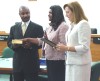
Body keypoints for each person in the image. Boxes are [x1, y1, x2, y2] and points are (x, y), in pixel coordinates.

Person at [22, 5, 69, 81]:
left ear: (56, 14)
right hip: (49, 59)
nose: (48, 14)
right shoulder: (50, 27)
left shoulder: (63, 26)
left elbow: (63, 46)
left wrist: (47, 41)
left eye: (50, 13)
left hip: (58, 61)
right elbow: (42, 41)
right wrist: (29, 39)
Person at [56, 1, 92, 81]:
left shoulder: (83, 24)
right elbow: (71, 43)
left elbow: (84, 47)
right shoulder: (73, 25)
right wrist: (62, 47)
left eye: (68, 12)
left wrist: (66, 48)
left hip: (80, 64)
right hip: (70, 62)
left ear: (75, 11)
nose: (66, 15)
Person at [7, 6, 44, 81]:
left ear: (30, 13)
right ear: (19, 14)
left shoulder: (38, 27)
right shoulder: (13, 28)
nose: (25, 15)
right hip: (18, 63)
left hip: (32, 63)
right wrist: (14, 45)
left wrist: (31, 46)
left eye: (27, 13)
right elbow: (9, 42)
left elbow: (42, 44)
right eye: (23, 13)